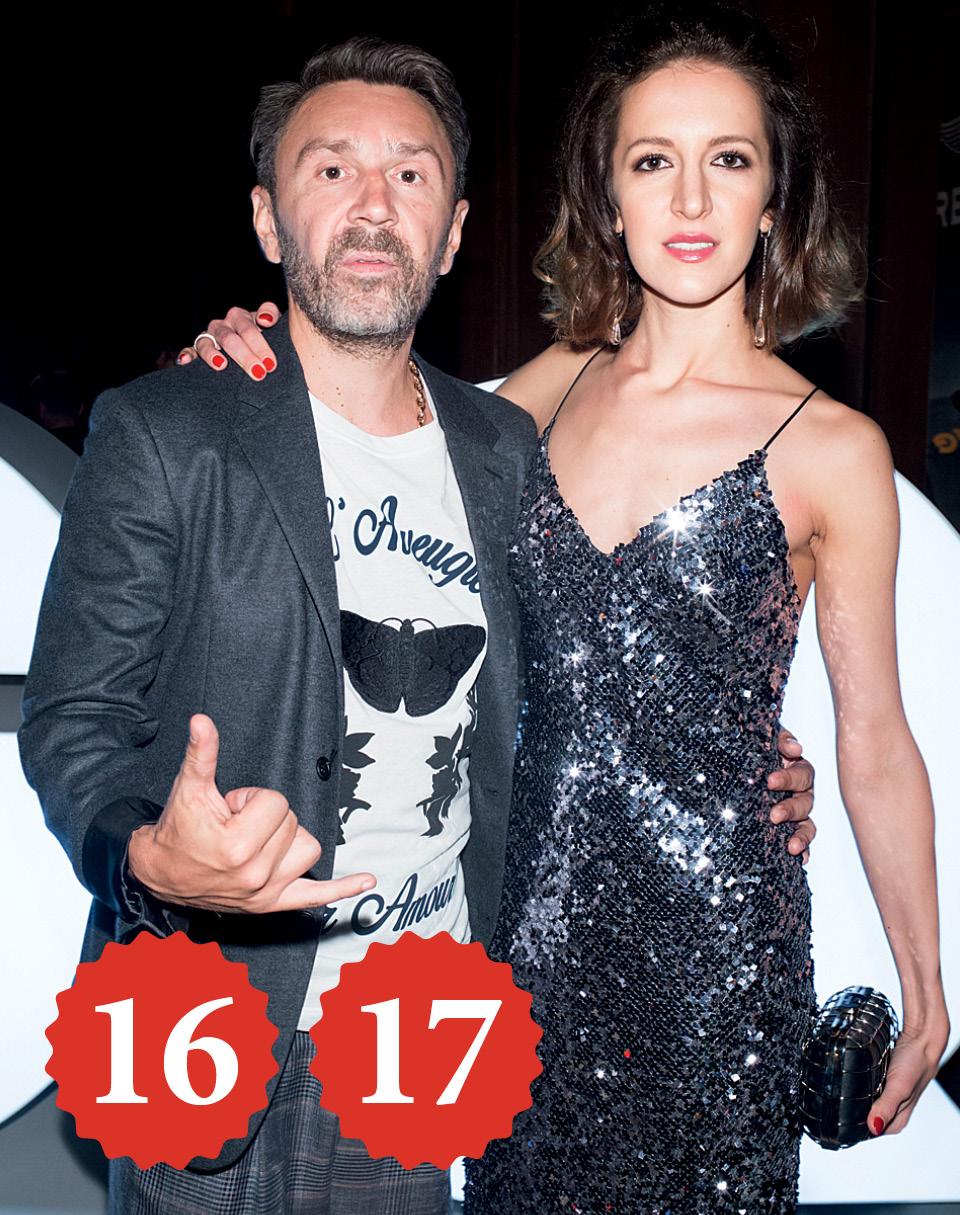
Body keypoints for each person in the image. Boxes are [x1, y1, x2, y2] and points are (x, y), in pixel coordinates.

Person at [187, 7, 950, 1214]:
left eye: (729, 160)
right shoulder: (542, 394)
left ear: (773, 198)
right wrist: (261, 345)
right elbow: (367, 414)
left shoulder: (834, 447)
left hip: (718, 954)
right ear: (608, 194)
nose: (690, 198)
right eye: (653, 161)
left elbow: (877, 738)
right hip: (524, 932)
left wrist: (927, 983)